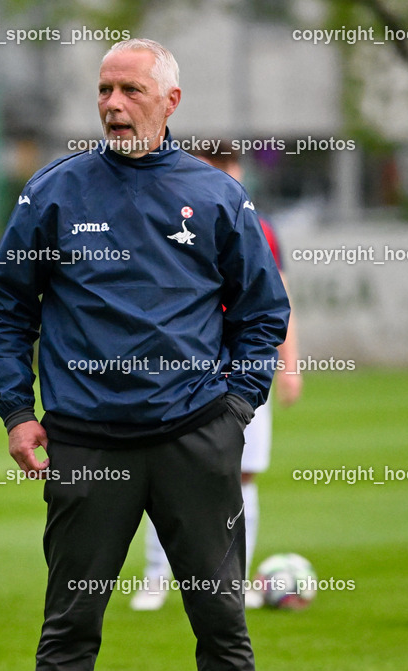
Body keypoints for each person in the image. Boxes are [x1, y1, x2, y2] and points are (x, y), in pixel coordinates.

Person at [0, 39, 290, 671]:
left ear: (170, 101)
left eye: (130, 91)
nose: (113, 105)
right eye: (104, 91)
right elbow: (8, 307)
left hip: (195, 438)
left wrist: (235, 409)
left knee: (223, 628)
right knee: (69, 630)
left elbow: (263, 313)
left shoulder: (217, 197)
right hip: (87, 443)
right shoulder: (54, 192)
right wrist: (16, 409)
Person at [131, 143, 302, 612]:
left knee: (243, 475)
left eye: (229, 166)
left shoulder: (260, 226)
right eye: (214, 167)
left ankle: (235, 578)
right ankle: (155, 577)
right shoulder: (172, 220)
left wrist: (290, 364)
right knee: (166, 473)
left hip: (246, 371)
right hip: (187, 373)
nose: (224, 175)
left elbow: (277, 301)